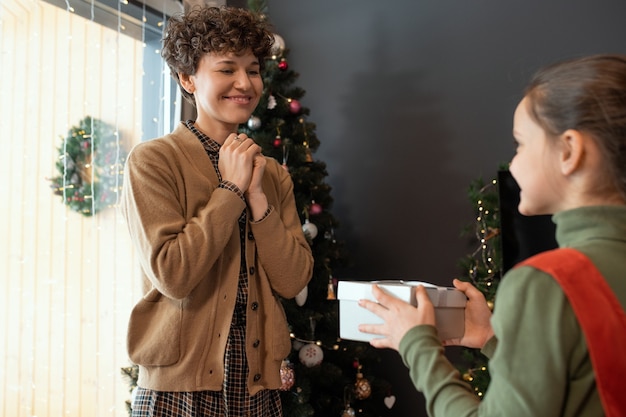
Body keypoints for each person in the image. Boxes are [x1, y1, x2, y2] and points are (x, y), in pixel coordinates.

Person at [358, 54, 626, 416]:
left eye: (521, 144)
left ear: (569, 150)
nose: (512, 163)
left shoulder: (546, 284)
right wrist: (493, 340)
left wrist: (416, 345)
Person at [120, 6, 313, 417]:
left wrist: (258, 197)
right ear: (187, 78)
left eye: (254, 70)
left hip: (259, 393)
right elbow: (174, 273)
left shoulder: (274, 175)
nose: (244, 83)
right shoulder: (153, 162)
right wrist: (229, 190)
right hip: (178, 394)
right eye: (227, 69)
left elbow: (293, 280)